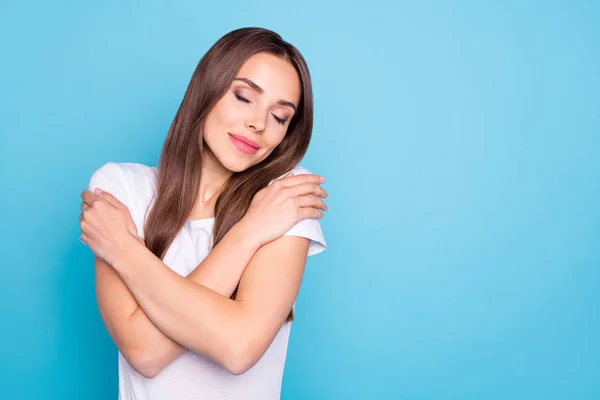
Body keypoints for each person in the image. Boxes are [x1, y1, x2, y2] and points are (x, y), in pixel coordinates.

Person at [78, 27, 328, 399]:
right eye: (244, 97)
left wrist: (124, 250)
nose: (258, 124)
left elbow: (238, 347)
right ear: (206, 90)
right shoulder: (122, 187)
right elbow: (143, 352)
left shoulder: (284, 197)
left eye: (279, 117)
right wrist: (252, 233)